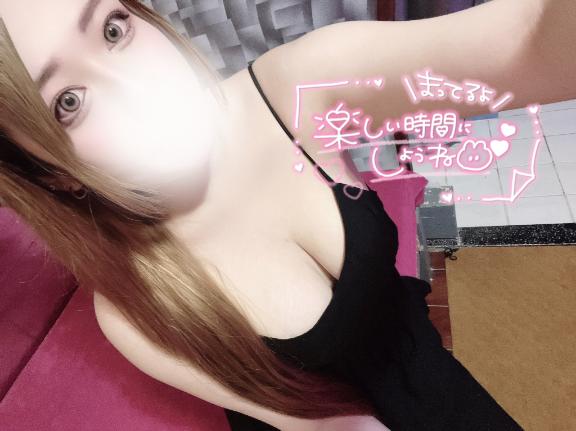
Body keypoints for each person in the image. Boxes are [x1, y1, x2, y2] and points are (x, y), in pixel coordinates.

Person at [0, 0, 573, 429]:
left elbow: (526, 42)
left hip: (435, 381)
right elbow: (320, 426)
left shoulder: (295, 89)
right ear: (50, 173)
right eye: (68, 103)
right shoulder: (133, 307)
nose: (139, 87)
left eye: (113, 29)